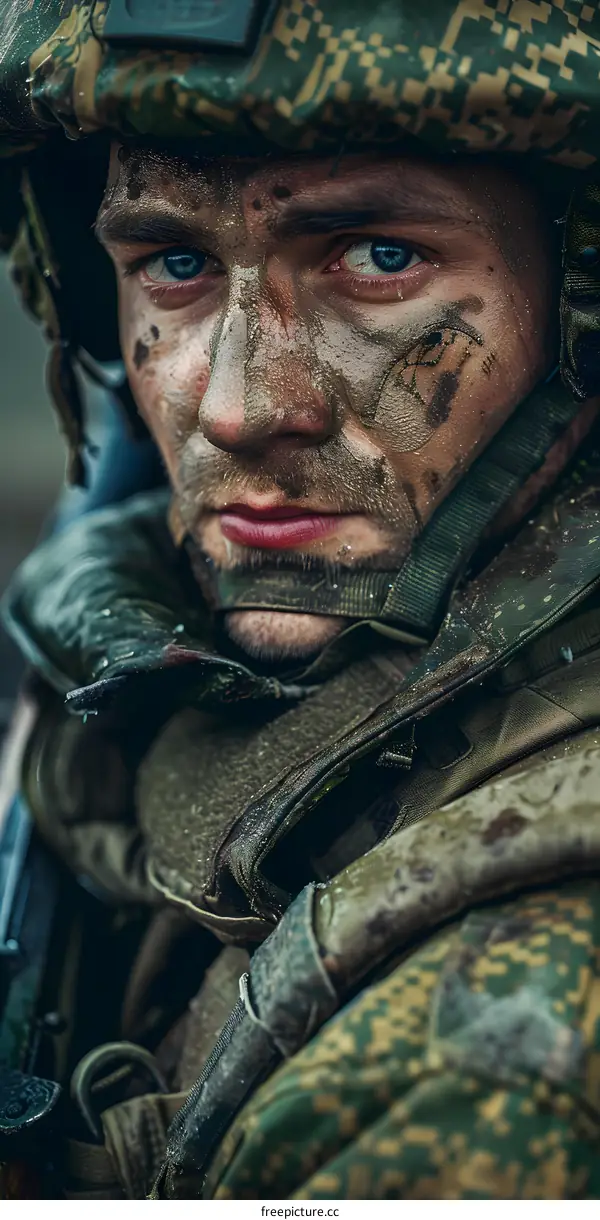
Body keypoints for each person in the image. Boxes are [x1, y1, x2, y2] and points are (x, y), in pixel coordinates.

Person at [2, 0, 600, 1200]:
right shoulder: (123, 670)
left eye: (378, 255)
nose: (237, 404)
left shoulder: (493, 1069)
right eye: (173, 263)